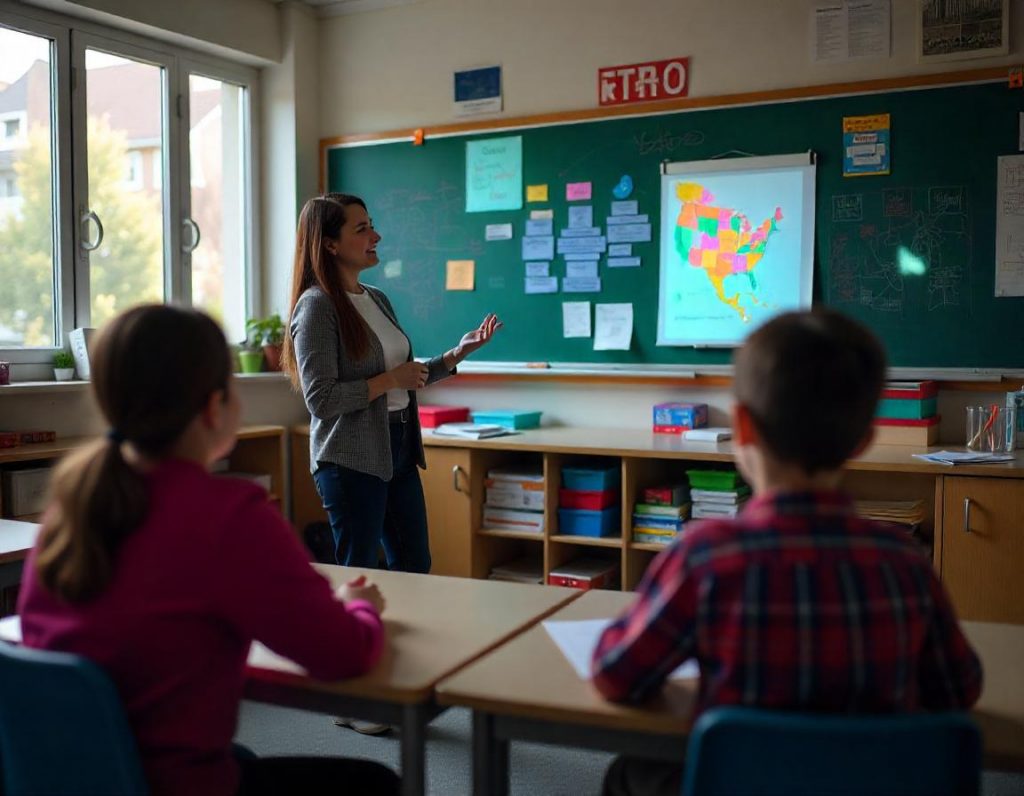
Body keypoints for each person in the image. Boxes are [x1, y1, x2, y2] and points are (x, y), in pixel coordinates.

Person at [590, 308, 983, 796]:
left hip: (737, 783)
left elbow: (615, 674)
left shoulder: (705, 557)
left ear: (743, 427)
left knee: (628, 772)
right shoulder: (904, 562)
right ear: (863, 441)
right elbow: (958, 690)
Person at [17, 305, 399, 796]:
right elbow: (342, 656)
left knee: (242, 757)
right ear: (214, 407)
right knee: (374, 783)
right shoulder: (231, 515)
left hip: (74, 777)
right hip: (170, 781)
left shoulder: (71, 506)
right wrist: (359, 610)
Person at [282, 193, 502, 575]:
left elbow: (405, 377)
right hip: (350, 457)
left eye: (373, 225)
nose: (377, 236)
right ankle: (359, 635)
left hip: (397, 447)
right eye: (362, 229)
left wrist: (455, 355)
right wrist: (388, 380)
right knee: (360, 569)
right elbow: (322, 399)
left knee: (415, 564)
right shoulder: (317, 306)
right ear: (330, 244)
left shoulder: (377, 298)